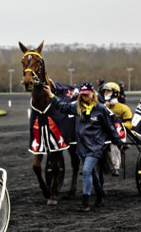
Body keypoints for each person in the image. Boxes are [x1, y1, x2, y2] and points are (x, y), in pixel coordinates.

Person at [46, 82, 124, 211]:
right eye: (82, 95)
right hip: (81, 147)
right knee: (92, 173)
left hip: (95, 146)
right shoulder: (77, 107)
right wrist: (50, 94)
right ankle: (99, 196)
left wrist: (118, 142)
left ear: (92, 94)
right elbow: (62, 107)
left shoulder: (101, 109)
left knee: (87, 171)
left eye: (87, 95)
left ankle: (85, 202)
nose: (84, 97)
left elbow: (110, 128)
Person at [100, 81, 132, 176]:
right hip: (104, 133)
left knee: (114, 141)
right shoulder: (102, 107)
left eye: (108, 91)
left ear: (115, 93)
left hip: (117, 133)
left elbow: (129, 124)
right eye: (105, 91)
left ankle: (115, 167)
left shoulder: (124, 108)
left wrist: (116, 126)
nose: (105, 93)